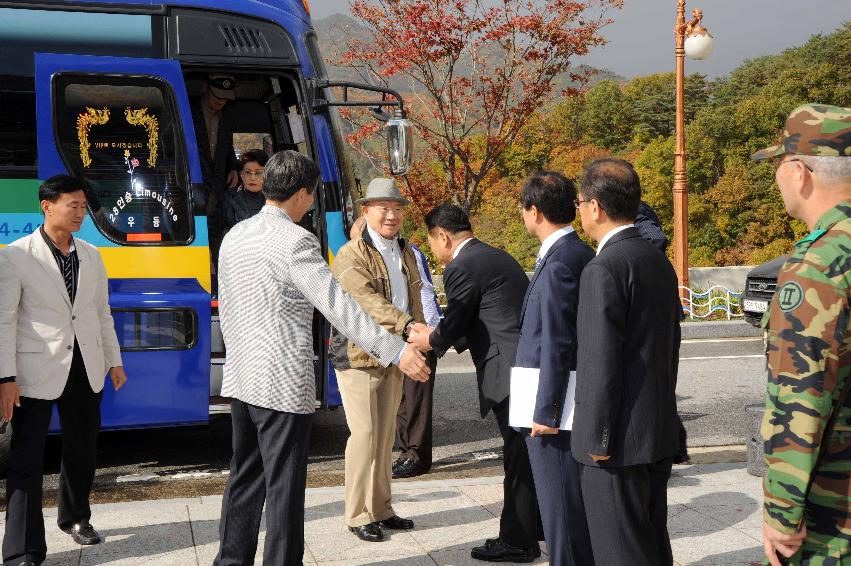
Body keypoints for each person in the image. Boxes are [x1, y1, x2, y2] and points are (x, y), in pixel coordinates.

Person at [213, 152, 430, 565]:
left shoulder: (235, 235)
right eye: (311, 195)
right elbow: (341, 308)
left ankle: (230, 561)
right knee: (284, 489)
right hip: (280, 385)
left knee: (244, 478)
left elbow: (230, 306)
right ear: (302, 194)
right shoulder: (297, 241)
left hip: (241, 378)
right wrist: (396, 351)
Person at [0, 175, 127, 566]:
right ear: (47, 206)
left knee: (82, 449)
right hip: (35, 371)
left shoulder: (91, 253)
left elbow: (99, 312)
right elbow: (4, 320)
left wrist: (115, 360)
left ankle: (75, 517)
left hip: (85, 366)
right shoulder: (16, 255)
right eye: (72, 205)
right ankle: (22, 550)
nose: (80, 213)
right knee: (26, 459)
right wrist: (6, 378)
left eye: (83, 206)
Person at [408, 203, 542, 562]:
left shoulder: (461, 266)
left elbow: (457, 319)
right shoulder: (495, 256)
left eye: (432, 243)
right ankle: (536, 526)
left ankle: (517, 542)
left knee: (517, 457)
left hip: (507, 371)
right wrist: (440, 333)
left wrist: (431, 340)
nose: (435, 253)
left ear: (443, 236)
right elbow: (485, 316)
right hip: (525, 364)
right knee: (528, 454)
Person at [751, 104, 851, 566]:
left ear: (799, 172)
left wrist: (782, 512)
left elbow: (801, 395)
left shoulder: (818, 266)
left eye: (779, 164)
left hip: (836, 512)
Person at [571, 158, 681, 566]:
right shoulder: (656, 260)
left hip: (616, 442)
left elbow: (599, 362)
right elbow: (670, 347)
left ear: (595, 206)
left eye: (580, 202)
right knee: (651, 543)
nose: (579, 210)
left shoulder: (603, 267)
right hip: (654, 431)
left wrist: (598, 439)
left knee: (619, 549)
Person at [329, 178, 425, 542]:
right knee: (365, 434)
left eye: (397, 208)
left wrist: (419, 335)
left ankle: (382, 508)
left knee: (385, 437)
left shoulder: (406, 251)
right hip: (359, 355)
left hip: (395, 354)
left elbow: (414, 297)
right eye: (383, 208)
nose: (391, 215)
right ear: (365, 211)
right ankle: (356, 514)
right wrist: (410, 327)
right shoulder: (351, 254)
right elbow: (365, 302)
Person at [516, 171, 595, 566]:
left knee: (561, 507)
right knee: (567, 507)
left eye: (522, 208)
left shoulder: (562, 260)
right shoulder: (574, 253)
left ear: (534, 211)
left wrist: (545, 411)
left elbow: (558, 342)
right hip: (563, 401)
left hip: (555, 411)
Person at [633, 200, 690, 465]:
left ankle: (674, 447)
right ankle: (674, 447)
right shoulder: (637, 208)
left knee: (658, 385)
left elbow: (656, 238)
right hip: (660, 309)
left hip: (656, 312)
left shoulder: (636, 210)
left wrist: (632, 262)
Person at [393, 236, 442, 479]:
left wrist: (428, 335)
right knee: (404, 402)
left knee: (415, 402)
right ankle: (406, 453)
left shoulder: (408, 252)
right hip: (404, 334)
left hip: (419, 334)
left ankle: (416, 457)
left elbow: (425, 293)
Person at [191, 74, 239, 275]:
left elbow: (227, 145)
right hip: (193, 180)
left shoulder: (227, 115)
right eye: (217, 95)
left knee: (214, 223)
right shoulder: (188, 110)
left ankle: (212, 271)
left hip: (218, 181)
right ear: (205, 87)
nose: (221, 101)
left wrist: (234, 168)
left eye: (225, 97)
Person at [220, 149, 269, 232]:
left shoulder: (275, 199)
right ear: (241, 174)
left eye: (258, 173)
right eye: (248, 172)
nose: (252, 178)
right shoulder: (229, 198)